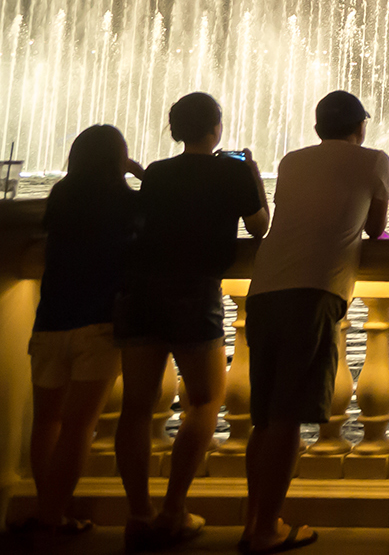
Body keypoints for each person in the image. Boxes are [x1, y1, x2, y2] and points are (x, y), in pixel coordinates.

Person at [241, 90, 389, 555]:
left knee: (263, 419)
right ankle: (266, 530)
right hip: (315, 292)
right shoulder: (373, 161)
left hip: (264, 291)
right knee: (287, 417)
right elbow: (374, 228)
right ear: (360, 126)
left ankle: (253, 524)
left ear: (317, 127)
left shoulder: (291, 161)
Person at [116, 94, 268, 551]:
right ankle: (173, 510)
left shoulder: (159, 173)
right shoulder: (233, 170)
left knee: (137, 409)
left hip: (140, 292)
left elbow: (155, 212)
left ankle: (138, 516)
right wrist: (254, 176)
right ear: (216, 128)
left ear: (176, 130)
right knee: (205, 401)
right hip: (193, 292)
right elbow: (260, 227)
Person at [19, 125, 139, 540]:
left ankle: (47, 506)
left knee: (47, 421)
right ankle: (52, 515)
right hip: (99, 324)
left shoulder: (62, 196)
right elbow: (157, 221)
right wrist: (141, 174)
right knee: (78, 426)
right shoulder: (126, 201)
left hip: (50, 320)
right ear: (117, 159)